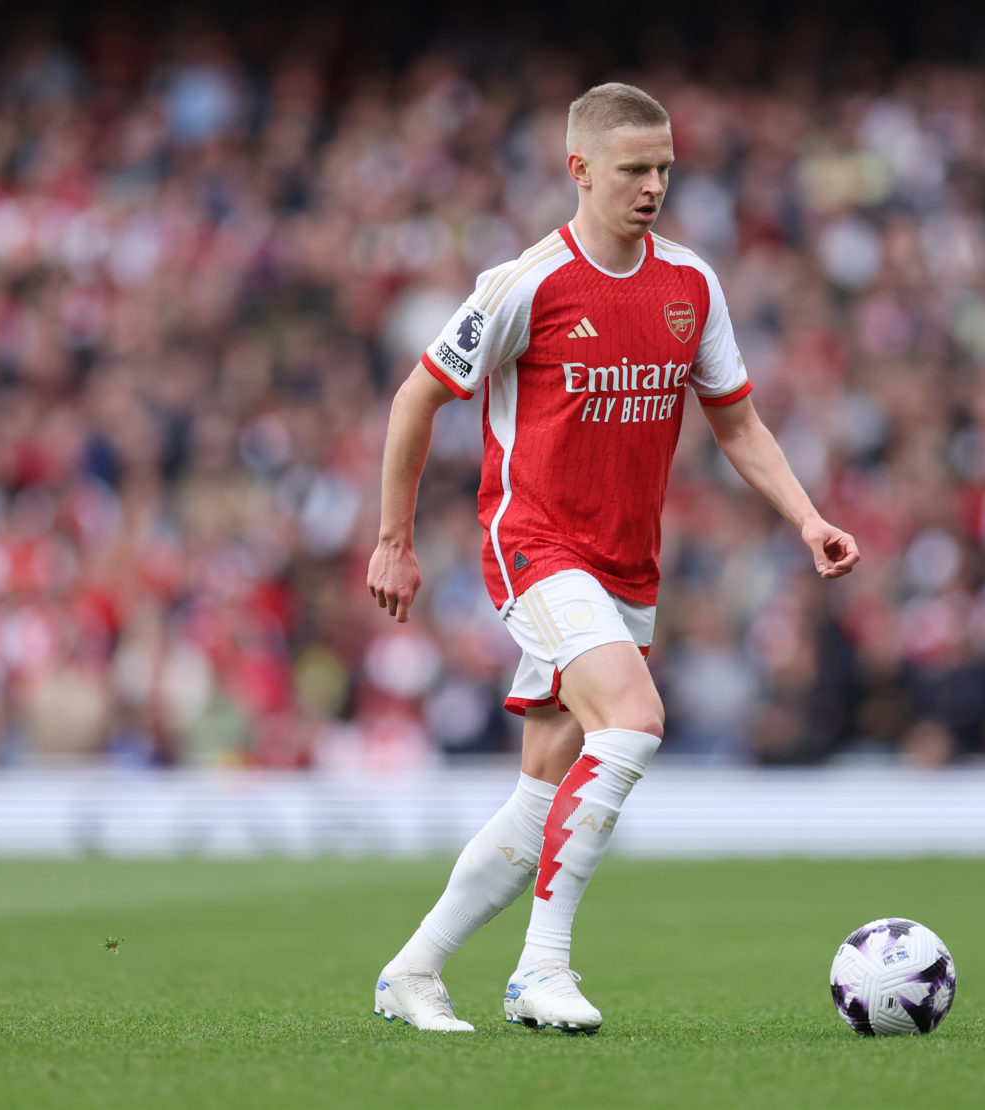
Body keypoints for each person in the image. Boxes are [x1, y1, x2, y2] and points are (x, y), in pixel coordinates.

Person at [365, 82, 860, 1034]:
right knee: (633, 721)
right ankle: (541, 972)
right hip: (535, 546)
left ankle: (413, 971)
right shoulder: (526, 284)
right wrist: (395, 541)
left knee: (539, 797)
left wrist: (807, 517)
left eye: (665, 168)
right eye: (634, 168)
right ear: (579, 169)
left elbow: (740, 423)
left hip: (627, 567)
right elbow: (414, 401)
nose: (654, 185)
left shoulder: (692, 287)